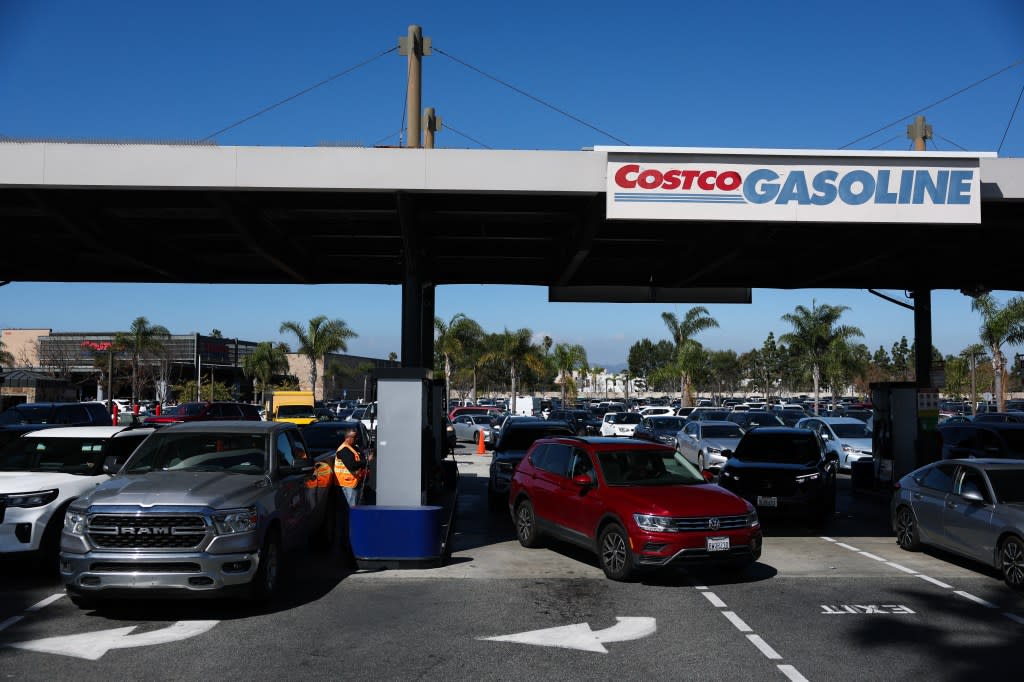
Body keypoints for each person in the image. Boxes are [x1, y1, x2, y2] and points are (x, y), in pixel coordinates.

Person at [334, 429, 373, 508]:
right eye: (354, 437)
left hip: (355, 482)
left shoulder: (354, 447)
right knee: (353, 507)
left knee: (359, 506)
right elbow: (352, 465)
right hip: (348, 484)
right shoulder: (344, 450)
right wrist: (367, 461)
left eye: (356, 437)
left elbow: (361, 459)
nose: (357, 439)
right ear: (347, 438)